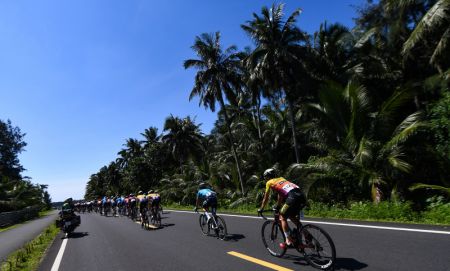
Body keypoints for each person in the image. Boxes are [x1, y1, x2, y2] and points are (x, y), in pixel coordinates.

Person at [258, 168, 306, 246]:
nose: (266, 179)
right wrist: (278, 205)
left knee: (282, 216)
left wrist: (261, 208)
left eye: (266, 177)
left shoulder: (269, 182)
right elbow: (280, 194)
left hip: (292, 197)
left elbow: (266, 197)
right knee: (292, 216)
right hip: (302, 196)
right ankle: (307, 235)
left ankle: (288, 240)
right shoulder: (281, 179)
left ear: (268, 177)